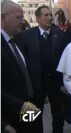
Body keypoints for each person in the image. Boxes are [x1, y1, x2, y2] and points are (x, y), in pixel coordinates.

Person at [17, 5, 65, 133]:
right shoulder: (26, 36)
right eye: (46, 15)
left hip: (56, 83)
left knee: (58, 114)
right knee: (33, 116)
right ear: (37, 18)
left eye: (51, 15)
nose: (50, 17)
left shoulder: (60, 35)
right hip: (35, 84)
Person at [1, 0, 41, 132]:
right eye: (18, 17)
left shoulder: (18, 39)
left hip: (29, 106)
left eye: (23, 17)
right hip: (10, 114)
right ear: (3, 17)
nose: (23, 21)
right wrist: (3, 124)